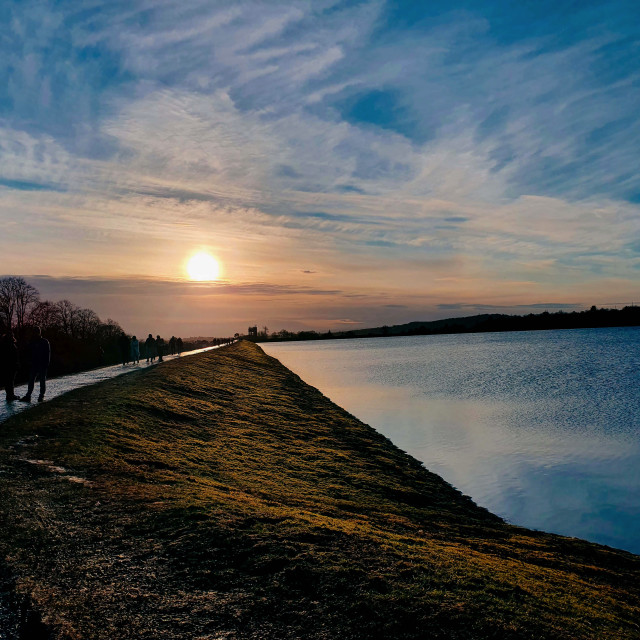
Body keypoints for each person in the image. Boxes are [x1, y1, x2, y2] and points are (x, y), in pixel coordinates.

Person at [20, 327, 50, 403]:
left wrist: (46, 364)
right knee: (32, 380)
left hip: (41, 364)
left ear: (39, 332)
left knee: (41, 381)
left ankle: (40, 395)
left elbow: (47, 354)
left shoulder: (44, 342)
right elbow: (28, 352)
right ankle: (29, 395)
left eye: (36, 332)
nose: (35, 333)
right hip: (34, 364)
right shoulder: (33, 342)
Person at [1, 330, 20, 402]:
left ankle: (9, 395)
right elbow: (14, 356)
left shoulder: (4, 344)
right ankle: (10, 395)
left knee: (8, 381)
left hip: (6, 365)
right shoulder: (11, 344)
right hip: (11, 365)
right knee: (10, 380)